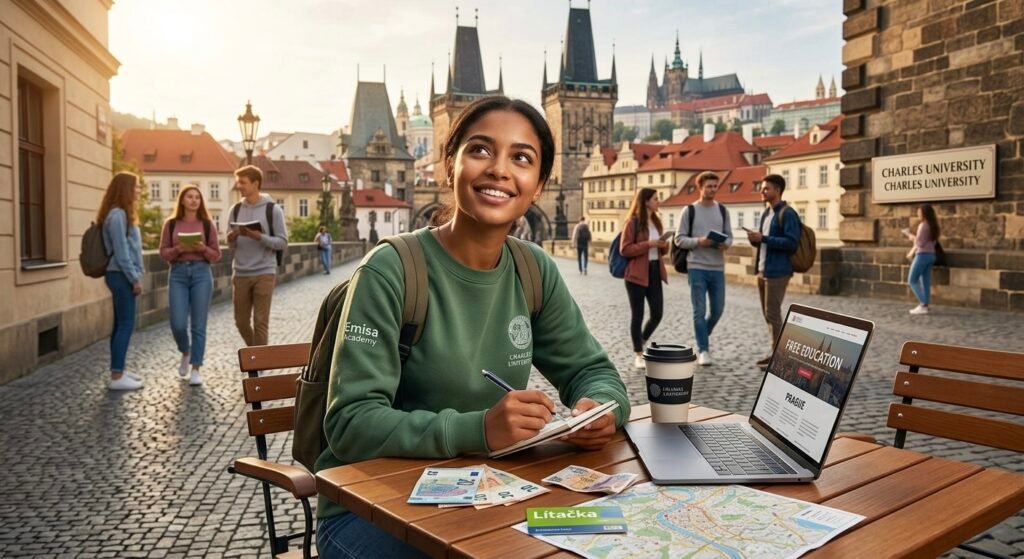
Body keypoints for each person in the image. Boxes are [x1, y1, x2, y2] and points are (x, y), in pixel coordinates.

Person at [314, 96, 630, 559]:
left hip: (488, 492)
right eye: (481, 149)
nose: (500, 170)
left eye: (521, 158)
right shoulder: (391, 271)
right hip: (372, 506)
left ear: (539, 185)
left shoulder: (532, 269)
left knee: (611, 539)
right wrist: (478, 429)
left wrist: (601, 409)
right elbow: (349, 424)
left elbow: (592, 371)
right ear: (449, 164)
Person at [159, 185, 222, 386]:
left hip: (201, 273)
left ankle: (196, 367)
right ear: (182, 200)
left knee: (198, 325)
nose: (194, 200)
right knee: (177, 323)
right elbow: (163, 253)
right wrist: (179, 248)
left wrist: (202, 248)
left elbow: (216, 255)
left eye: (197, 197)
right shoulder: (170, 224)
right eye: (189, 197)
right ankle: (185, 351)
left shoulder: (206, 225)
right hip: (177, 273)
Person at [674, 171, 733, 366]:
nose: (712, 190)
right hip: (696, 266)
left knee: (718, 310)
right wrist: (700, 241)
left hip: (717, 267)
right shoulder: (689, 211)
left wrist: (726, 244)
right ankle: (703, 350)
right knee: (699, 310)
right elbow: (679, 239)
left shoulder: (723, 211)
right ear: (700, 188)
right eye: (709, 186)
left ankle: (702, 336)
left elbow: (730, 237)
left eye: (715, 186)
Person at [227, 165, 288, 347]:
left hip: (264, 272)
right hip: (240, 272)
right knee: (241, 322)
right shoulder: (235, 210)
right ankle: (257, 353)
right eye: (238, 182)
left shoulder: (273, 210)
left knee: (260, 322)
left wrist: (258, 236)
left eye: (243, 182)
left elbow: (282, 242)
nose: (239, 186)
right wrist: (232, 237)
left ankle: (259, 367)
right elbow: (229, 243)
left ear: (255, 184)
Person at [746, 174, 801, 369]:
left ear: (777, 190)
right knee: (768, 314)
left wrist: (764, 238)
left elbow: (792, 243)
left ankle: (780, 357)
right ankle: (774, 352)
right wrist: (755, 239)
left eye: (766, 188)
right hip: (763, 269)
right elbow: (763, 241)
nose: (762, 191)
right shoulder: (766, 213)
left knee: (773, 314)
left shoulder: (787, 213)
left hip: (778, 271)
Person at [97, 172, 145, 391]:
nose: (139, 190)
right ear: (125, 189)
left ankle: (119, 370)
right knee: (125, 325)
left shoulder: (119, 214)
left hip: (119, 274)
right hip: (120, 275)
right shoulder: (117, 215)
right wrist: (134, 279)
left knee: (119, 325)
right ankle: (117, 376)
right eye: (136, 187)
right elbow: (122, 252)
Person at [620, 188, 669, 370]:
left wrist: (664, 245)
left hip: (655, 271)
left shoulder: (656, 222)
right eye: (656, 198)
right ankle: (638, 354)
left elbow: (663, 251)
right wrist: (648, 244)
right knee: (638, 314)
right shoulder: (632, 223)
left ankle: (641, 340)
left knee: (657, 313)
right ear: (646, 201)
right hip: (636, 274)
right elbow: (624, 249)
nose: (658, 201)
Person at [902, 204, 940, 315]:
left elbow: (919, 243)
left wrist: (910, 235)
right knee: (925, 281)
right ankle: (925, 305)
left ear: (924, 214)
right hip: (931, 255)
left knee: (912, 280)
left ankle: (924, 304)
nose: (918, 214)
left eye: (919, 212)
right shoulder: (933, 226)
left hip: (922, 255)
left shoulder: (923, 225)